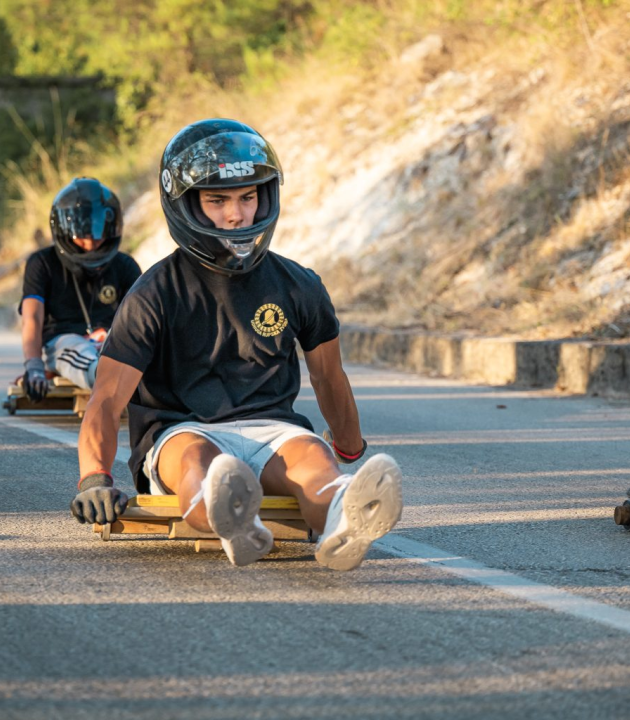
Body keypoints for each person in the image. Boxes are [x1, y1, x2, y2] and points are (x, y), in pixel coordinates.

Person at [70, 119, 403, 571]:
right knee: (198, 463)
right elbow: (107, 400)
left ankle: (343, 514)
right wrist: (94, 478)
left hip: (272, 428)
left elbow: (328, 375)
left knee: (313, 458)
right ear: (185, 204)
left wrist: (346, 447)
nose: (236, 215)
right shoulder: (153, 294)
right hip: (182, 430)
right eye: (218, 200)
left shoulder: (299, 285)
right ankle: (228, 513)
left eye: (248, 198)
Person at [19, 177, 142, 402]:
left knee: (127, 350)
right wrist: (34, 366)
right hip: (65, 342)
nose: (92, 242)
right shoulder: (41, 263)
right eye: (84, 234)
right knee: (76, 352)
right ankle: (107, 379)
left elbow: (142, 317)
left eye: (99, 232)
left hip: (111, 339)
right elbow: (32, 317)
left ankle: (139, 380)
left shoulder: (124, 265)